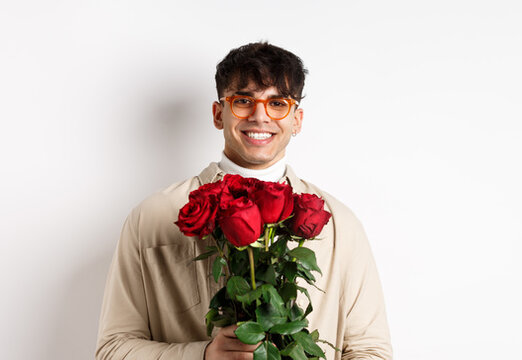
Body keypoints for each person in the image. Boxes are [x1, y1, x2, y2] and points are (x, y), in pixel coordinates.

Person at [95, 42, 392, 360]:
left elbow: (369, 350)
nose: (260, 116)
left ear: (297, 119)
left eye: (277, 103)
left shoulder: (338, 222)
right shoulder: (152, 216)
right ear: (218, 113)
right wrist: (204, 355)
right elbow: (113, 349)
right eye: (243, 101)